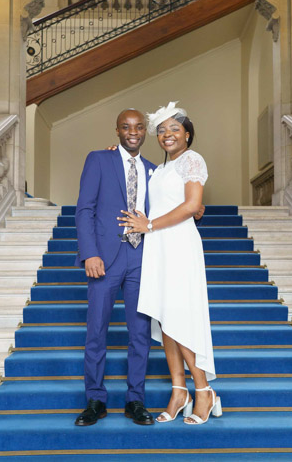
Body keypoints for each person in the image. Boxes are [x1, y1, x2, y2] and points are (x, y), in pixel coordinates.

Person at [118, 101, 222, 425]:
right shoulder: (159, 169)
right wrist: (115, 150)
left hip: (178, 243)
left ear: (187, 134)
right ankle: (179, 390)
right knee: (164, 318)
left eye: (174, 129)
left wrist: (148, 225)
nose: (167, 134)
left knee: (179, 315)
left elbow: (192, 205)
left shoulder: (192, 160)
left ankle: (203, 390)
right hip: (158, 247)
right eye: (161, 130)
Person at [74, 109, 157, 426]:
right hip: (105, 259)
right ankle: (96, 400)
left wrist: (197, 209)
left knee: (140, 335)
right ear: (117, 130)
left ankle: (135, 400)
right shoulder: (99, 159)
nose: (132, 132)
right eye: (126, 127)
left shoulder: (153, 170)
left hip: (142, 258)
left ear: (144, 130)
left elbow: (168, 208)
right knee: (96, 331)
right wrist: (89, 253)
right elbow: (85, 209)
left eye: (137, 127)